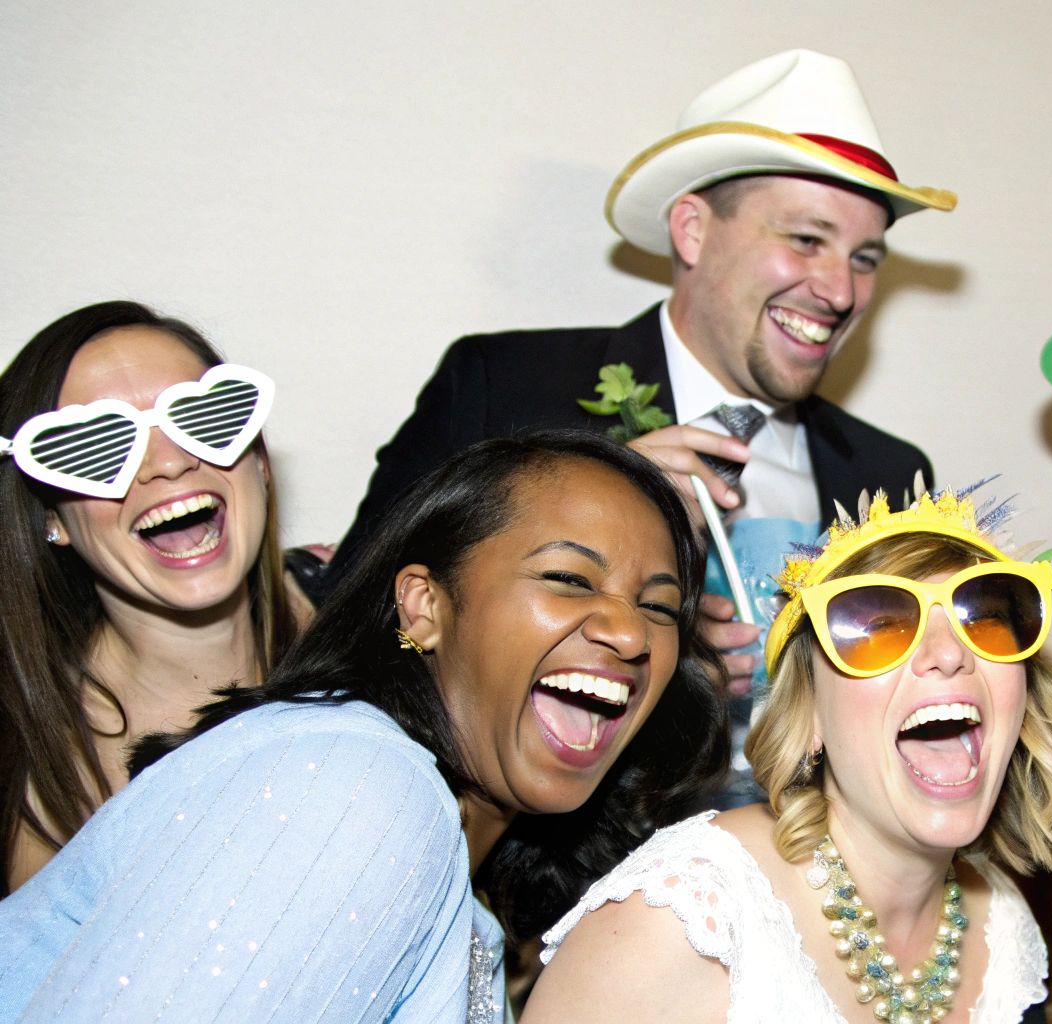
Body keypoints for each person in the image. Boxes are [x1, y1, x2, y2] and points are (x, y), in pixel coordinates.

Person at [0, 430, 728, 1021]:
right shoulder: (357, 787)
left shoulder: (454, 868)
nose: (631, 635)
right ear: (423, 607)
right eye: (569, 579)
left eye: (660, 609)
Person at [326, 48, 953, 716]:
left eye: (863, 259)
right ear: (692, 230)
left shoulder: (891, 472)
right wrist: (598, 510)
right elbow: (348, 630)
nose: (839, 290)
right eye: (805, 239)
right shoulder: (502, 389)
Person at [525, 489, 1052, 1022]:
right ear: (807, 720)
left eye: (984, 620)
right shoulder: (683, 921)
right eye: (879, 629)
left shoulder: (1003, 927)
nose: (948, 655)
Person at [0, 300, 303, 894]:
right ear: (50, 520)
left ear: (259, 463)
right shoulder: (34, 787)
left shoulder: (390, 635)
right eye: (95, 446)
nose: (168, 462)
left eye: (206, 416)